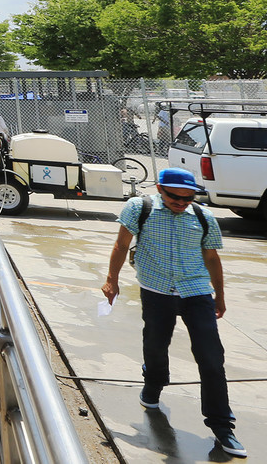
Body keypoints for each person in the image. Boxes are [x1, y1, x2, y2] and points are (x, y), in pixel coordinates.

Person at [101, 168, 244, 457]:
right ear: (159, 189)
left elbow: (212, 258)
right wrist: (111, 279)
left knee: (212, 358)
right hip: (156, 291)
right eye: (174, 197)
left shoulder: (203, 217)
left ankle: (222, 427)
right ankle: (153, 384)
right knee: (155, 346)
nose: (181, 202)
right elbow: (121, 245)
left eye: (187, 198)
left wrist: (220, 296)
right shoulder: (139, 208)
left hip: (197, 293)